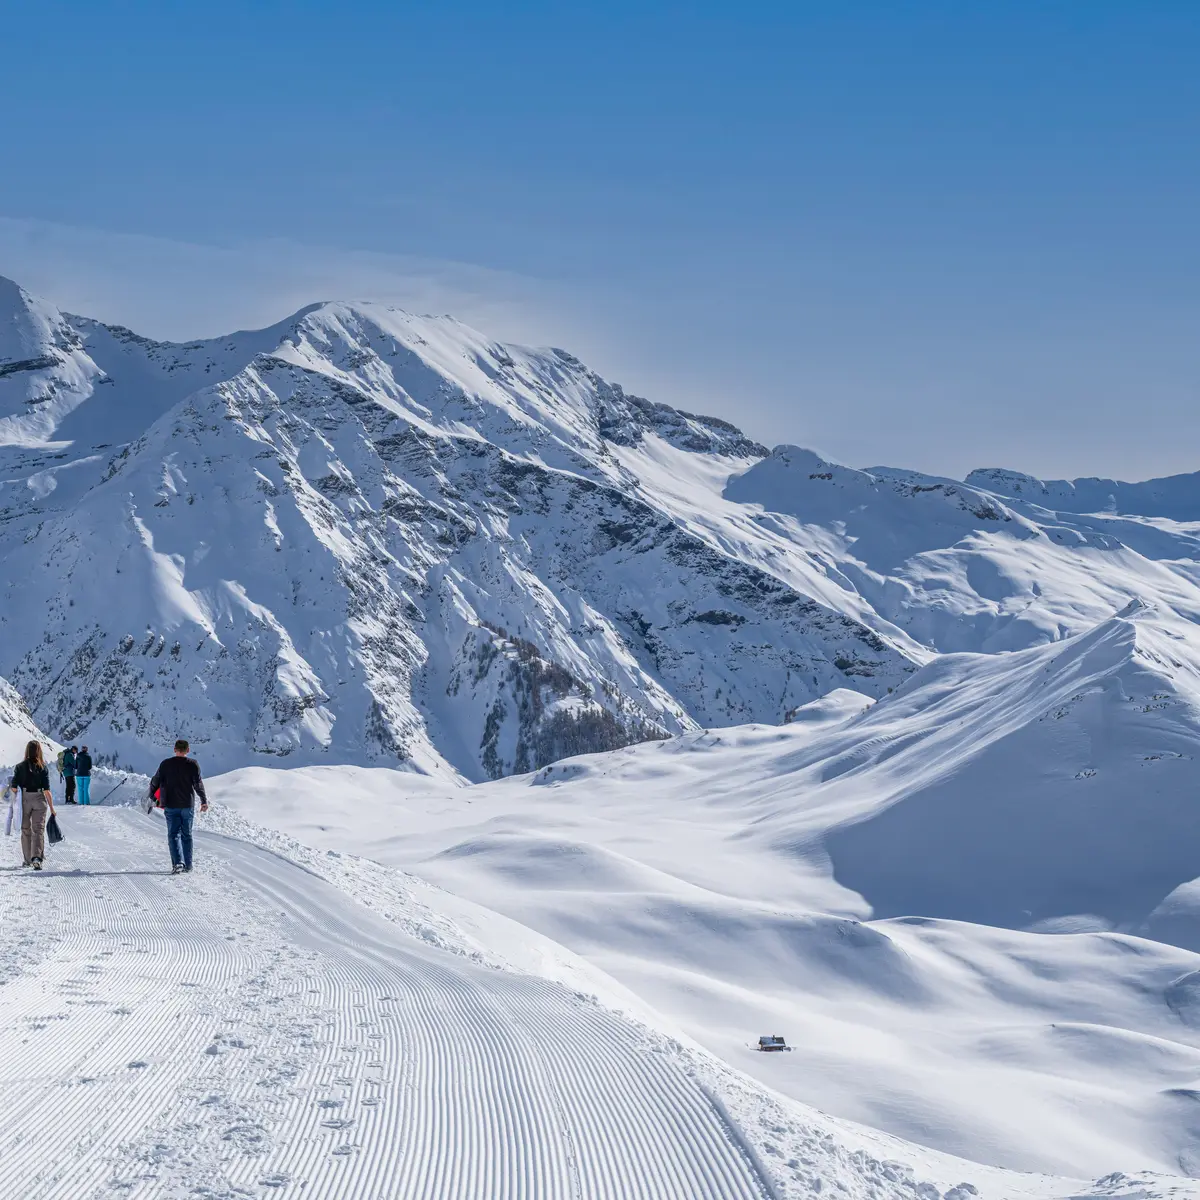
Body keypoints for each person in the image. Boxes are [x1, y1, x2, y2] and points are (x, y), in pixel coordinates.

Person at [149, 739, 208, 874]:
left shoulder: (165, 764)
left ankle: (178, 863)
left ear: (175, 750)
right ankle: (188, 865)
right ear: (188, 750)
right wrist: (203, 800)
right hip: (187, 805)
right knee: (187, 834)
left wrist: (151, 796)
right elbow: (198, 784)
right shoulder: (193, 764)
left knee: (173, 834)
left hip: (170, 804)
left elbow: (155, 781)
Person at [4, 741, 57, 869]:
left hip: (25, 801)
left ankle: (27, 860)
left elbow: (14, 788)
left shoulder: (19, 767)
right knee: (38, 830)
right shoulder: (43, 767)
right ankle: (37, 858)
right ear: (39, 751)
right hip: (39, 799)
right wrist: (52, 808)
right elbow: (47, 790)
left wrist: (17, 797)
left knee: (26, 830)